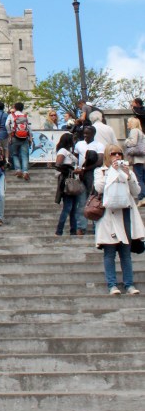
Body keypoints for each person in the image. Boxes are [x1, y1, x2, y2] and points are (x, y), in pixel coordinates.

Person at [94, 145, 145, 296]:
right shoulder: (101, 171)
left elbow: (137, 191)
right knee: (109, 252)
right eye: (113, 153)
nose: (117, 156)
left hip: (125, 215)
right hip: (109, 216)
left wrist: (128, 175)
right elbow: (98, 188)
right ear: (107, 156)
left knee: (125, 253)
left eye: (119, 153)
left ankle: (129, 284)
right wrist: (112, 171)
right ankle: (112, 284)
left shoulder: (127, 170)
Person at [54, 133, 81, 237]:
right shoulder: (62, 151)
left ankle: (73, 231)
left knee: (74, 208)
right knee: (68, 207)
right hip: (67, 181)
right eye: (72, 140)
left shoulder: (70, 152)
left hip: (74, 181)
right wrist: (69, 169)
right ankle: (59, 230)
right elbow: (58, 165)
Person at [7, 102, 32, 180]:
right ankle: (25, 172)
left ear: (14, 107)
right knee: (24, 155)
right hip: (24, 137)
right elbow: (29, 127)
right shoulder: (25, 116)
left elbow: (6, 124)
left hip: (15, 136)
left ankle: (18, 170)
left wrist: (10, 132)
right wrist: (30, 137)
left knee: (15, 154)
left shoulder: (11, 115)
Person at [123, 116, 145, 202]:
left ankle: (142, 197)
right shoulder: (140, 132)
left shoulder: (134, 131)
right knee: (142, 177)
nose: (127, 124)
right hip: (142, 158)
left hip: (137, 159)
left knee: (138, 178)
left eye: (128, 122)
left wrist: (126, 141)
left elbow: (133, 142)